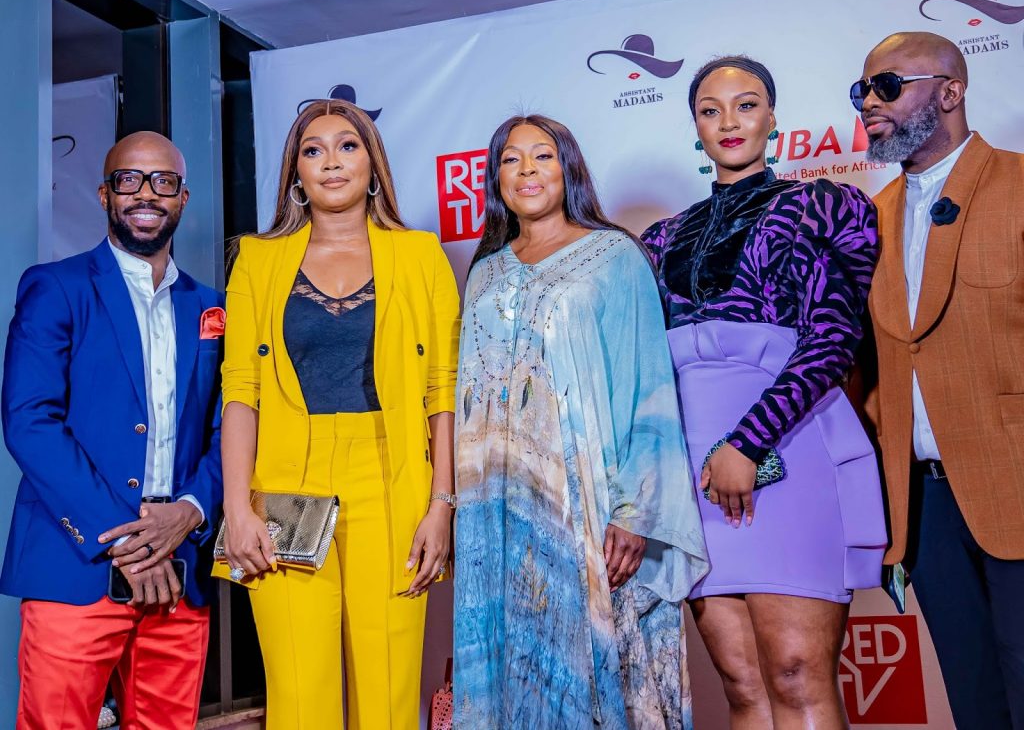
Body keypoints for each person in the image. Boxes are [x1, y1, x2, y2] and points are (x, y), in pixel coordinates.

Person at [641, 57, 886, 729]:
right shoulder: (660, 238)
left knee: (797, 675)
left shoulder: (827, 206)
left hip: (791, 447)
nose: (729, 122)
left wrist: (748, 444)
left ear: (773, 117)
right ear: (695, 125)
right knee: (742, 684)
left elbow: (834, 338)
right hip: (692, 471)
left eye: (746, 105)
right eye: (711, 110)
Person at [454, 114, 709, 730]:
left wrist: (634, 511)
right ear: (496, 179)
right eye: (511, 159)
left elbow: (647, 387)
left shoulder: (613, 256)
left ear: (568, 168)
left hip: (587, 507)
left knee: (598, 668)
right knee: (511, 672)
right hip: (497, 515)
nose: (527, 170)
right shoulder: (485, 270)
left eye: (542, 156)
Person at [216, 99, 460, 730]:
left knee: (389, 698)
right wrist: (237, 508)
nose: (331, 161)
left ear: (372, 164)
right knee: (300, 699)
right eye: (313, 149)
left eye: (347, 145)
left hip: (393, 479)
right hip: (284, 483)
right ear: (296, 173)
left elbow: (442, 392)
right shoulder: (257, 259)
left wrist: (441, 504)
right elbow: (240, 390)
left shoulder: (420, 254)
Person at [1, 131, 224, 729]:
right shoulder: (57, 288)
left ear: (182, 198)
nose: (146, 194)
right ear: (105, 194)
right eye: (129, 179)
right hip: (75, 566)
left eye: (163, 182)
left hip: (180, 566)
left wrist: (190, 511)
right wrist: (127, 544)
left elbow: (228, 428)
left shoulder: (212, 306)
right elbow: (29, 421)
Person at [855, 31, 1024, 728]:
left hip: (1015, 485)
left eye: (888, 86)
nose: (869, 102)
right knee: (974, 703)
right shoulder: (871, 218)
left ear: (950, 91)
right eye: (862, 90)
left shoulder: (1019, 185)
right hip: (924, 510)